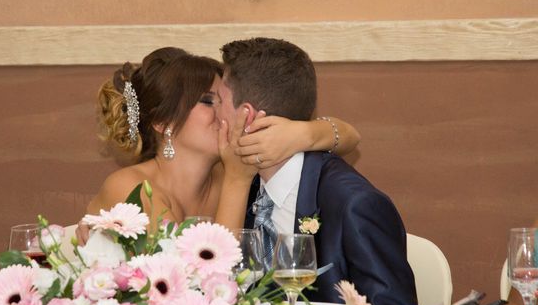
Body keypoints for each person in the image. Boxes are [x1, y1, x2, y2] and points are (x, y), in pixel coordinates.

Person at [215, 37, 421, 305]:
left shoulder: (354, 205)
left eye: (217, 101)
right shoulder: (241, 180)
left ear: (247, 117)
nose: (214, 114)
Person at [78, 46, 360, 241]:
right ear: (163, 123)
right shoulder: (130, 188)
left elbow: (349, 136)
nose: (225, 112)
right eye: (206, 101)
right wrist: (237, 181)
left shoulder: (228, 167)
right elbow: (205, 285)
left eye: (223, 101)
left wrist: (300, 135)